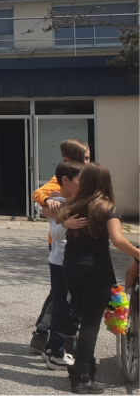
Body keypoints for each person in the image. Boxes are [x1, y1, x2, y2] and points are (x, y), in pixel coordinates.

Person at [57, 163, 140, 393]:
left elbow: (56, 221)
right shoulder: (106, 207)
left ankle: (84, 366)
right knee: (90, 324)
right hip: (96, 269)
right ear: (106, 182)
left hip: (71, 267)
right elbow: (118, 239)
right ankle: (81, 377)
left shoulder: (74, 204)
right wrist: (138, 253)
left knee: (81, 315)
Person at [28, 138, 90, 355]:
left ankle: (56, 336)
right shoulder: (61, 179)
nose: (88, 162)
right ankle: (43, 333)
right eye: (85, 158)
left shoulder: (86, 178)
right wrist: (48, 202)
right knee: (61, 293)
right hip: (60, 245)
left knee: (67, 293)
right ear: (68, 161)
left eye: (89, 158)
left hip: (78, 244)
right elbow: (39, 194)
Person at [37, 160, 86, 370]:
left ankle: (52, 348)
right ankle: (56, 351)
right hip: (62, 260)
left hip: (70, 260)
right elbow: (55, 234)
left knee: (66, 304)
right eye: (80, 180)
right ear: (65, 180)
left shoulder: (79, 200)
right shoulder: (56, 203)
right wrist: (66, 224)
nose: (83, 184)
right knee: (63, 305)